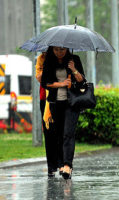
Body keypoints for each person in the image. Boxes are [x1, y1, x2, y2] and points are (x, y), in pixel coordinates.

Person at [41, 46, 85, 179]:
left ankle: (67, 166)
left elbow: (82, 81)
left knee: (68, 133)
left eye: (62, 50)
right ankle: (60, 164)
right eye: (56, 50)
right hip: (56, 103)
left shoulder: (74, 59)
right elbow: (45, 83)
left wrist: (74, 70)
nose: (59, 52)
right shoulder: (49, 61)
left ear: (67, 49)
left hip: (71, 103)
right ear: (52, 50)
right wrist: (60, 84)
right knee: (59, 134)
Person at [36, 52, 62, 178]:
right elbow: (39, 77)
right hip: (45, 99)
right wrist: (47, 68)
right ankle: (51, 166)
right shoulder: (42, 59)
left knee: (60, 131)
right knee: (48, 131)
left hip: (61, 97)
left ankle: (62, 164)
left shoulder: (63, 58)